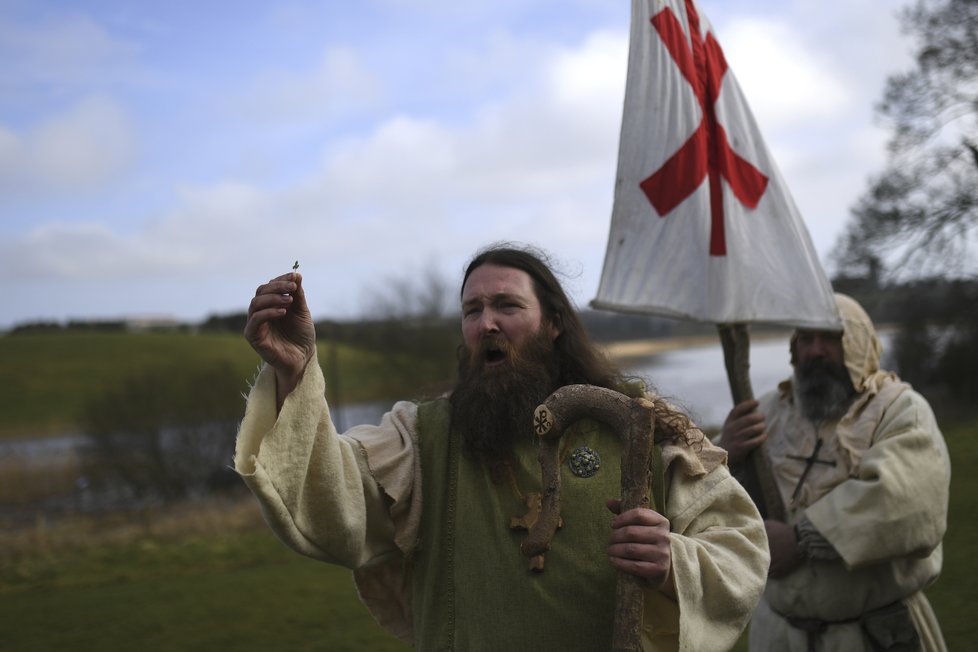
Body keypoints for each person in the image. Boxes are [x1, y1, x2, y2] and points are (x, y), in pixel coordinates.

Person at [235, 243, 768, 651]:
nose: (486, 322)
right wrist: (296, 372)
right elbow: (335, 499)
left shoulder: (642, 426)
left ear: (554, 322)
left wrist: (672, 561)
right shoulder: (423, 437)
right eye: (472, 310)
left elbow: (739, 547)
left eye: (507, 305)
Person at [718, 293, 950, 652]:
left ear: (858, 343)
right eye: (806, 340)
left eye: (831, 339)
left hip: (873, 637)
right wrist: (724, 453)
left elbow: (904, 502)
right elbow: (707, 500)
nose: (815, 351)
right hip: (779, 635)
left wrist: (801, 540)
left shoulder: (901, 410)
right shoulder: (766, 413)